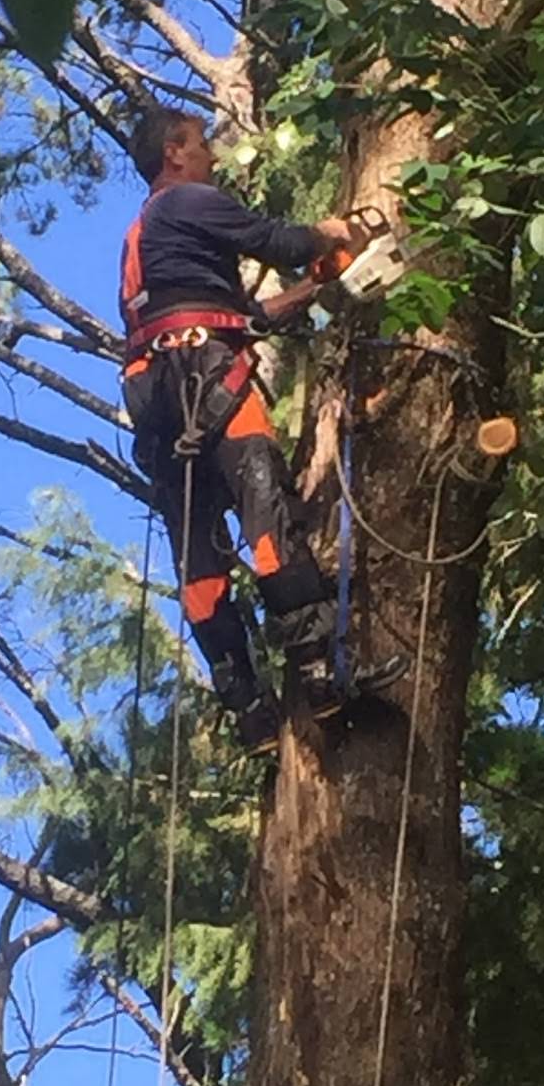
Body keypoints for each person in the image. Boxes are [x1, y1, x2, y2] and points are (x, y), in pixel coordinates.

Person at [119, 108, 406, 755]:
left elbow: (243, 315)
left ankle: (249, 710)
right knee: (266, 515)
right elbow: (276, 239)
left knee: (196, 555)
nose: (212, 158)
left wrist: (309, 291)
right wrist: (336, 232)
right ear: (174, 152)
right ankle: (320, 672)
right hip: (205, 375)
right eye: (200, 146)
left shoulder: (147, 238)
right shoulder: (186, 199)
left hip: (160, 396)